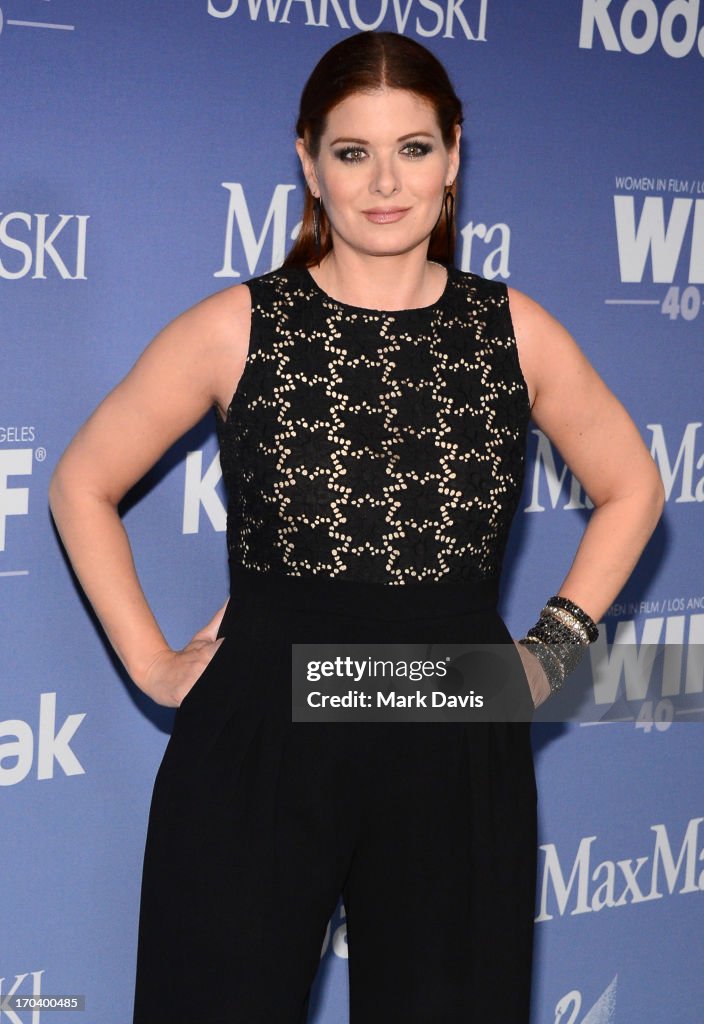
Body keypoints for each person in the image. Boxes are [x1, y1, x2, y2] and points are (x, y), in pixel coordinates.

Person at [49, 30, 665, 1024]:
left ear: (453, 154)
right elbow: (81, 480)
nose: (384, 182)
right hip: (263, 724)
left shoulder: (513, 331)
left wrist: (551, 652)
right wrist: (154, 663)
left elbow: (631, 483)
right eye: (352, 152)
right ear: (307, 159)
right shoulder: (235, 327)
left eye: (412, 149)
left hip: (450, 724)